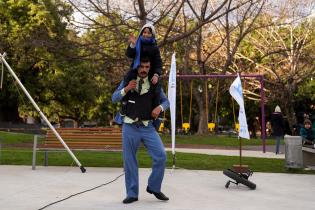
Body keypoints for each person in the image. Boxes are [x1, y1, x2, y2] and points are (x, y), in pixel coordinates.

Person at [112, 57, 169, 204]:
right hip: (129, 126)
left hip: (147, 127)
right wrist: (126, 89)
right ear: (137, 67)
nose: (144, 69)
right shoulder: (128, 80)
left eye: (147, 67)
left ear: (150, 68)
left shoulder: (154, 84)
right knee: (130, 160)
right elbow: (114, 98)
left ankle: (154, 187)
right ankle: (132, 193)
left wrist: (160, 108)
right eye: (141, 66)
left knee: (161, 155)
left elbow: (166, 101)